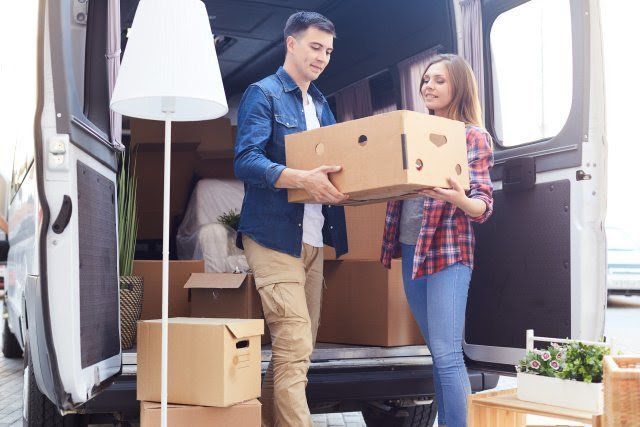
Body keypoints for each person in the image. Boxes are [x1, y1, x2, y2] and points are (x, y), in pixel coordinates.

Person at [233, 11, 348, 427]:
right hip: (272, 235)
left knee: (296, 349)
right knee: (295, 344)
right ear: (291, 44)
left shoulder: (320, 103)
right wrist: (300, 178)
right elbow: (245, 160)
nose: (322, 58)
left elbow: (340, 163)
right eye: (315, 47)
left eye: (329, 51)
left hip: (314, 237)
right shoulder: (262, 94)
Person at [380, 53, 494, 427]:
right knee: (437, 352)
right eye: (425, 80)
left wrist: (458, 198)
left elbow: (483, 205)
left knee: (446, 354)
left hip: (448, 251)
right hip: (413, 249)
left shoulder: (472, 136)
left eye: (438, 80)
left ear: (458, 85)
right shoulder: (411, 134)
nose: (428, 86)